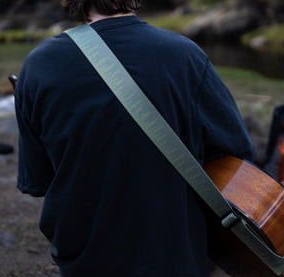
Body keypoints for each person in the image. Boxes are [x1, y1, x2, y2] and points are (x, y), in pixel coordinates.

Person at [14, 0, 255, 276]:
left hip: (85, 259)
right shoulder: (186, 55)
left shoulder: (39, 65)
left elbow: (37, 180)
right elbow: (237, 157)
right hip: (176, 256)